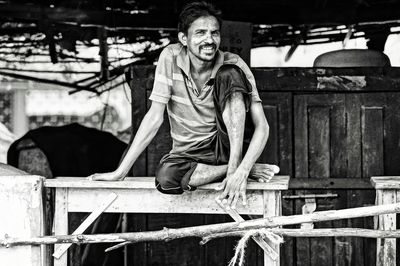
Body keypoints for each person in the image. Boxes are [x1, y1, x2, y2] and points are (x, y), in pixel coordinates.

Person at [88, 1, 279, 209]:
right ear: (183, 39)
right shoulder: (170, 57)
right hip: (191, 154)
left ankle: (235, 166)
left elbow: (262, 126)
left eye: (214, 33)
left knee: (229, 73)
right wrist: (120, 172)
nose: (209, 40)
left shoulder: (234, 63)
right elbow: (154, 118)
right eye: (200, 33)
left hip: (227, 143)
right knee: (166, 177)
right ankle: (242, 168)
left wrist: (238, 171)